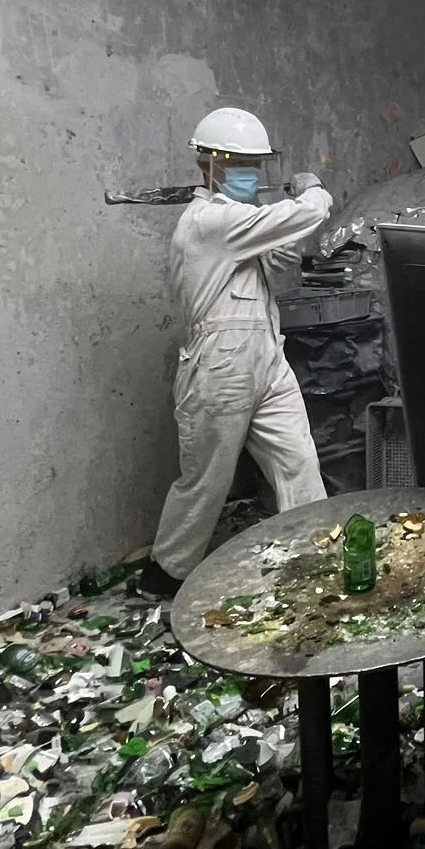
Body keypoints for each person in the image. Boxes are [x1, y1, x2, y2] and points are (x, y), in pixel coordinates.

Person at [139, 108, 333, 599]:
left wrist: (283, 246)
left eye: (255, 163)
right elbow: (303, 214)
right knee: (207, 478)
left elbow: (277, 259)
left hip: (265, 354)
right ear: (207, 164)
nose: (250, 172)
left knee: (297, 460)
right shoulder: (209, 221)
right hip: (219, 364)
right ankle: (166, 572)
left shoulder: (239, 222)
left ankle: (315, 555)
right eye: (237, 162)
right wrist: (314, 190)